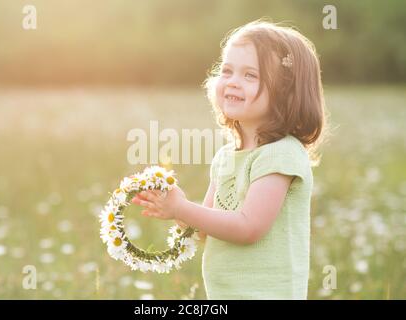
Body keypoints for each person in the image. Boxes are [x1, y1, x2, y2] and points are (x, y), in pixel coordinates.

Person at [132, 19, 327, 299]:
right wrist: (175, 209)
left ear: (287, 92)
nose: (233, 82)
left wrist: (183, 208)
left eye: (250, 75)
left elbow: (248, 227)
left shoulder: (281, 154)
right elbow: (206, 231)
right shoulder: (226, 156)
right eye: (227, 70)